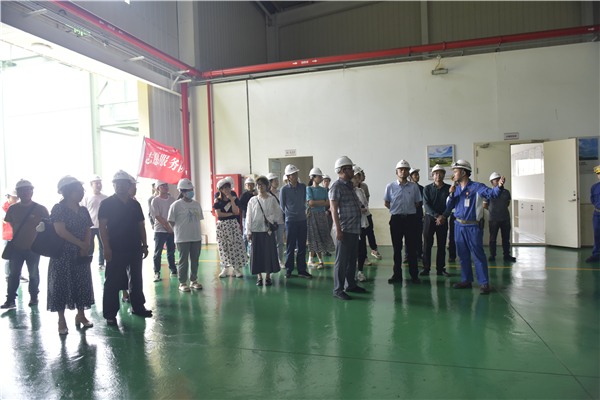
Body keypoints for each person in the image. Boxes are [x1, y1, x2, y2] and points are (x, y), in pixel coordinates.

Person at [98, 170, 151, 325]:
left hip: (134, 247)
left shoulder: (134, 204)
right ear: (113, 185)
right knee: (112, 281)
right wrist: (106, 247)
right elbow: (102, 227)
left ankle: (138, 307)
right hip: (115, 248)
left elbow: (141, 225)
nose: (120, 186)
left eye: (123, 183)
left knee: (136, 279)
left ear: (129, 185)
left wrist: (144, 245)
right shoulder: (106, 203)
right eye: (117, 183)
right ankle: (110, 314)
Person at [446, 160, 505, 295]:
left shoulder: (477, 187)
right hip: (458, 225)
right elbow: (449, 206)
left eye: (455, 171)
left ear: (464, 172)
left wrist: (499, 187)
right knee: (463, 255)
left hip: (473, 227)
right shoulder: (456, 189)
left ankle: (484, 283)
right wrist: (451, 194)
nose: (454, 174)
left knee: (478, 255)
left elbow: (492, 194)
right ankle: (466, 280)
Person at [47, 176, 95, 335]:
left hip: (81, 252)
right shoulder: (58, 208)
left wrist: (85, 245)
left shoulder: (83, 210)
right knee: (61, 284)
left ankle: (81, 315)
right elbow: (60, 231)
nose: (81, 193)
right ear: (67, 192)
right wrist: (80, 244)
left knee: (81, 282)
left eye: (82, 191)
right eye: (77, 191)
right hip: (62, 253)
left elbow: (87, 228)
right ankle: (61, 320)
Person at [1, 180, 49, 309]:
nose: (26, 193)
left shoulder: (40, 209)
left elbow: (48, 226)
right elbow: (12, 224)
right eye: (22, 190)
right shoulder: (12, 209)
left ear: (32, 192)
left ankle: (34, 297)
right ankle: (10, 300)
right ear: (17, 193)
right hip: (16, 248)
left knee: (33, 274)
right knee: (13, 275)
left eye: (28, 190)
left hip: (33, 248)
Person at [329, 156, 366, 300]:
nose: (353, 171)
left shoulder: (350, 186)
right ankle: (338, 290)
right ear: (343, 170)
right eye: (350, 168)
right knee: (342, 261)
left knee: (351, 260)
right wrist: (338, 229)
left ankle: (350, 285)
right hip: (344, 230)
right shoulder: (336, 186)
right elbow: (333, 209)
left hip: (354, 229)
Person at [385, 160, 423, 284]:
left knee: (411, 248)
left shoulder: (414, 187)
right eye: (401, 169)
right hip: (396, 220)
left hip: (410, 220)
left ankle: (414, 275)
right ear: (396, 172)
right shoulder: (390, 186)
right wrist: (396, 211)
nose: (403, 171)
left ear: (408, 172)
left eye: (406, 170)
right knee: (397, 249)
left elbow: (417, 203)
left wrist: (407, 210)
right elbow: (386, 202)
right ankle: (397, 274)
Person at [246, 176, 283, 286]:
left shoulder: (272, 199)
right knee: (257, 254)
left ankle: (267, 276)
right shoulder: (252, 200)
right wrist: (248, 232)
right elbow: (249, 217)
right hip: (256, 231)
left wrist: (270, 219)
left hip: (268, 231)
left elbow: (278, 213)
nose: (259, 186)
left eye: (262, 184)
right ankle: (259, 277)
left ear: (267, 186)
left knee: (268, 254)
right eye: (258, 185)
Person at [168, 179, 204, 292]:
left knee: (195, 260)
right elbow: (171, 221)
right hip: (182, 238)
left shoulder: (196, 204)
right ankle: (182, 283)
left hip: (196, 237)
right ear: (182, 192)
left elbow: (199, 219)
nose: (191, 192)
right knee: (183, 261)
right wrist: (178, 231)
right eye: (188, 190)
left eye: (191, 189)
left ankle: (193, 280)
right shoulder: (176, 205)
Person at [280, 165, 312, 279]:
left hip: (302, 220)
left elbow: (304, 200)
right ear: (288, 176)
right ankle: (289, 269)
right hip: (290, 221)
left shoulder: (303, 186)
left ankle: (301, 270)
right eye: (293, 174)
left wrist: (300, 211)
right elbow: (282, 206)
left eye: (296, 173)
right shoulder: (284, 189)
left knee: (301, 246)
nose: (296, 175)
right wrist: (291, 213)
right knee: (290, 246)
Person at [420, 164, 452, 277]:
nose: (438, 175)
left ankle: (440, 269)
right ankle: (426, 268)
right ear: (432, 175)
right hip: (429, 219)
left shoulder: (449, 188)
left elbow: (451, 204)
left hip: (443, 219)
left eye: (440, 173)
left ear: (444, 174)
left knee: (442, 245)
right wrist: (437, 216)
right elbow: (426, 204)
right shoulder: (427, 188)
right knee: (427, 245)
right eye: (436, 173)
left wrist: (444, 216)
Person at [214, 179, 246, 278]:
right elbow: (219, 214)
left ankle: (236, 268)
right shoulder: (217, 200)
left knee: (235, 245)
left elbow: (236, 211)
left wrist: (231, 199)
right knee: (223, 247)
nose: (228, 189)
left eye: (229, 187)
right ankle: (225, 268)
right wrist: (231, 214)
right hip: (222, 226)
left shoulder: (234, 198)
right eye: (225, 188)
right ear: (221, 189)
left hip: (233, 225)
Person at [306, 167, 335, 269]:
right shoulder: (309, 189)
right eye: (319, 177)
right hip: (312, 216)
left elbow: (328, 202)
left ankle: (311, 259)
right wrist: (322, 202)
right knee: (314, 237)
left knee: (323, 236)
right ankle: (321, 261)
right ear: (313, 177)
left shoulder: (323, 189)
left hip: (322, 215)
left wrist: (316, 203)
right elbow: (310, 203)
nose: (321, 178)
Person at [484, 172, 516, 262]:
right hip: (493, 219)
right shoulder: (489, 192)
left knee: (506, 238)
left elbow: (507, 203)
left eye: (499, 180)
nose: (498, 181)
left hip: (505, 219)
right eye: (496, 180)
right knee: (492, 238)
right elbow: (484, 205)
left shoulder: (506, 192)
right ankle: (492, 255)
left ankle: (506, 255)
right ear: (491, 182)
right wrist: (493, 211)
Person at [151, 180, 176, 281]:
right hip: (160, 230)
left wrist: (171, 226)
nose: (165, 187)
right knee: (158, 252)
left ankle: (173, 270)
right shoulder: (155, 201)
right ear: (158, 188)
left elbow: (174, 213)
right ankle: (156, 272)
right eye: (163, 186)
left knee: (171, 251)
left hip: (171, 229)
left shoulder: (172, 199)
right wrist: (167, 226)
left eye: (166, 185)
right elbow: (156, 215)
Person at [82, 175, 108, 271]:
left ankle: (101, 263)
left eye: (99, 183)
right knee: (90, 245)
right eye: (96, 183)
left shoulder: (105, 198)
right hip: (90, 226)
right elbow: (83, 211)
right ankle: (88, 263)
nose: (98, 185)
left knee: (103, 245)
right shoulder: (86, 197)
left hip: (102, 226)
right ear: (91, 185)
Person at [359, 169, 382, 262]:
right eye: (362, 174)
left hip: (366, 213)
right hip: (358, 216)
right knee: (362, 237)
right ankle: (364, 257)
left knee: (370, 232)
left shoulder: (364, 187)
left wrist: (364, 208)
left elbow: (366, 200)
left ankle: (374, 250)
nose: (364, 176)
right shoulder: (351, 188)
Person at [352, 166, 370, 282]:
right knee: (352, 251)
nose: (357, 179)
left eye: (358, 177)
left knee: (362, 250)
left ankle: (360, 272)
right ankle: (351, 273)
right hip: (351, 225)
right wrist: (358, 209)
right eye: (355, 177)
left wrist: (363, 209)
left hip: (362, 224)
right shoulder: (347, 192)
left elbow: (366, 206)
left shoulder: (361, 191)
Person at [2, 190, 26, 282]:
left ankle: (18, 275)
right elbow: (6, 220)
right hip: (8, 236)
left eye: (17, 198)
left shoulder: (19, 207)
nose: (16, 200)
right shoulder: (3, 208)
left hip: (18, 235)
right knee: (8, 258)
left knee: (19, 257)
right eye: (14, 198)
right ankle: (7, 276)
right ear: (8, 197)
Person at [267, 173, 286, 267]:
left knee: (280, 242)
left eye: (277, 180)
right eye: (275, 181)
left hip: (281, 221)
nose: (277, 182)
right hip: (271, 222)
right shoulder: (267, 195)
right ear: (270, 183)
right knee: (271, 242)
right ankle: (271, 260)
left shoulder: (280, 193)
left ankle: (280, 260)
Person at [408, 167, 424, 261]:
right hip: (409, 215)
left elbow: (422, 202)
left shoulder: (422, 188)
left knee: (418, 236)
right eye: (415, 175)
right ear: (410, 177)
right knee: (408, 236)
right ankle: (407, 255)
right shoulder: (407, 187)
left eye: (418, 175)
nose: (417, 176)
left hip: (418, 215)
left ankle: (418, 254)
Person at [240, 177, 257, 256]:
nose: (250, 186)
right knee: (245, 235)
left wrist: (257, 195)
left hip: (254, 217)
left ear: (254, 186)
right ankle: (244, 252)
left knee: (252, 235)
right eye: (248, 185)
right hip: (245, 217)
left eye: (251, 185)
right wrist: (248, 208)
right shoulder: (243, 195)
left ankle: (251, 252)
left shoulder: (256, 195)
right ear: (246, 186)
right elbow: (240, 205)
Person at [586, 165, 600, 262]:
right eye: (598, 174)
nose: (599, 175)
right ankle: (596, 255)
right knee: (597, 235)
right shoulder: (595, 187)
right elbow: (593, 200)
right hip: (597, 214)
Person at [322, 175, 333, 257]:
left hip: (329, 215)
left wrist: (328, 210)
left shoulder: (331, 191)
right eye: (324, 181)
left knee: (327, 232)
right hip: (321, 215)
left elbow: (333, 203)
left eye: (327, 181)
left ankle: (326, 250)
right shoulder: (320, 192)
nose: (326, 182)